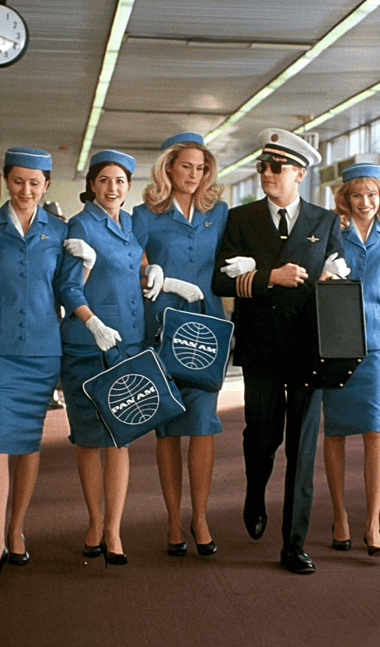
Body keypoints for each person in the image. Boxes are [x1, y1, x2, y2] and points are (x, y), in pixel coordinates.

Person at [212, 128, 345, 574]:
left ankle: (294, 544)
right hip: (263, 346)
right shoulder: (242, 218)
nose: (266, 174)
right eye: (263, 167)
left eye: (276, 167)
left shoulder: (324, 222)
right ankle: (255, 493)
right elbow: (221, 280)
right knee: (262, 437)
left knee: (302, 448)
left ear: (299, 174)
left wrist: (333, 278)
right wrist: (270, 276)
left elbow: (339, 271)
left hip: (310, 349)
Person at [0, 147, 85, 576]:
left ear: (47, 185)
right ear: (5, 181)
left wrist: (88, 264)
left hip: (43, 349)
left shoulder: (61, 230)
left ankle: (17, 529)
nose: (26, 190)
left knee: (28, 443)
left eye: (35, 183)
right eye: (18, 181)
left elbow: (68, 291)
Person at [61, 149, 163, 567]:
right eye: (105, 180)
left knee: (120, 438)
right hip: (88, 344)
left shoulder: (131, 225)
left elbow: (129, 272)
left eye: (120, 181)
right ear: (92, 185)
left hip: (128, 343)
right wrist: (93, 324)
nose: (113, 188)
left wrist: (152, 270)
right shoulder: (81, 223)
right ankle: (94, 521)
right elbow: (69, 289)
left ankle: (114, 530)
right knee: (89, 439)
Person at [133, 133, 228, 558]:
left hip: (207, 330)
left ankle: (200, 515)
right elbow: (130, 262)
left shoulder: (219, 213)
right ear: (168, 167)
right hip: (161, 328)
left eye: (201, 168)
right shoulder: (144, 215)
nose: (194, 174)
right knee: (169, 425)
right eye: (187, 166)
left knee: (204, 423)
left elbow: (234, 257)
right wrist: (154, 274)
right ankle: (173, 516)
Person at [322, 163, 380, 557]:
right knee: (336, 431)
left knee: (376, 430)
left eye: (372, 194)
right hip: (337, 340)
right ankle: (340, 516)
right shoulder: (331, 234)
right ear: (346, 198)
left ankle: (373, 523)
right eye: (357, 195)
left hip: (376, 344)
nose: (365, 202)